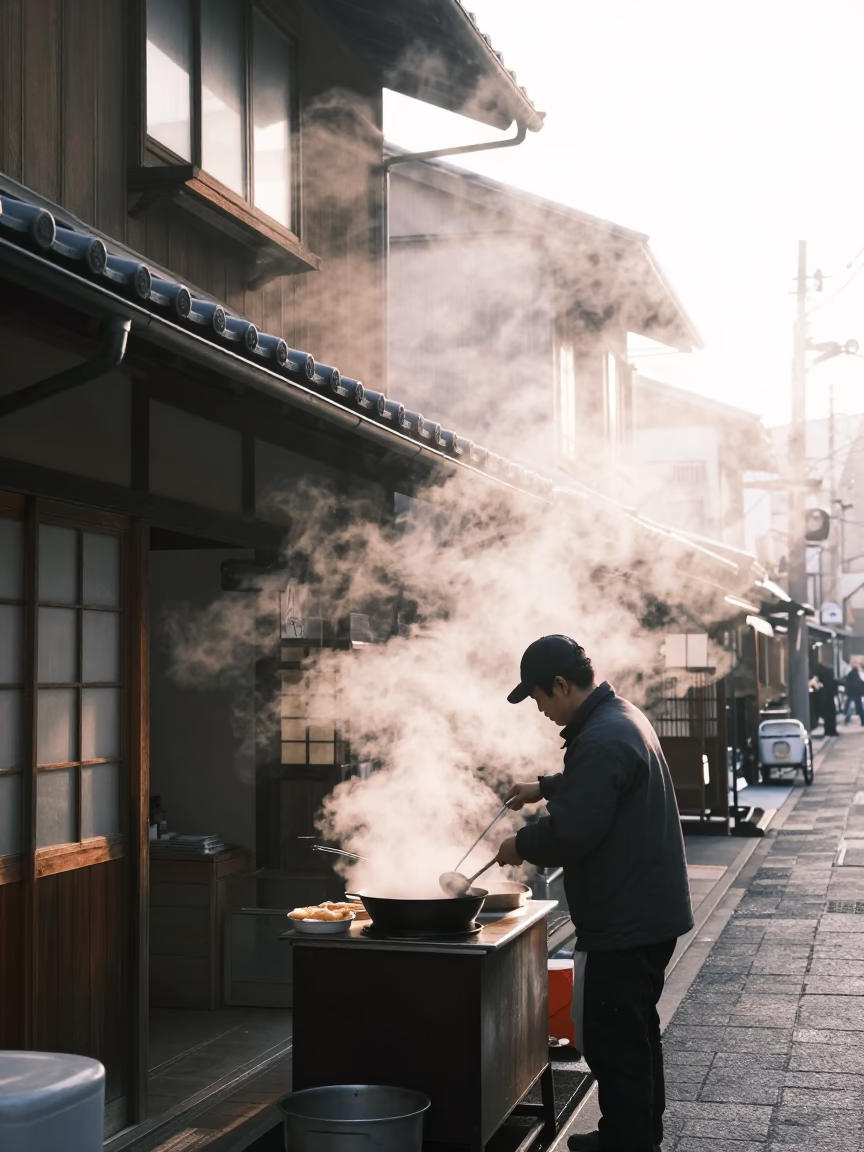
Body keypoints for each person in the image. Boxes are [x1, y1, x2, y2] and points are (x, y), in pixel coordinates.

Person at [495, 635, 693, 1152]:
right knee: (635, 1036)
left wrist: (520, 843)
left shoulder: (602, 737)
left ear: (561, 685)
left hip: (625, 920)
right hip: (646, 910)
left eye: (538, 697)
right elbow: (597, 786)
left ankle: (625, 1144)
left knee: (614, 1043)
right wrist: (546, 785)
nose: (538, 709)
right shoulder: (618, 717)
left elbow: (572, 834)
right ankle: (636, 1137)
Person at [815, 663, 838, 736]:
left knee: (827, 717)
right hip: (829, 699)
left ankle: (828, 730)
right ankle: (831, 730)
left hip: (824, 699)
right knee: (831, 716)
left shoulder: (822, 678)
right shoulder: (829, 677)